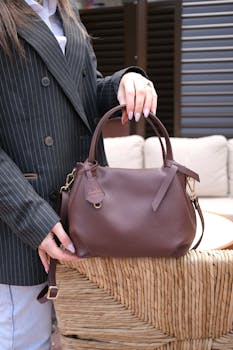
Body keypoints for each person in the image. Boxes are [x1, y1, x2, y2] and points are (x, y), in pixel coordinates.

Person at [0, 0, 157, 349]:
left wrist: (125, 81)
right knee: (23, 339)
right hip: (22, 219)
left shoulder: (66, 14)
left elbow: (82, 95)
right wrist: (33, 219)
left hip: (83, 209)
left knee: (86, 334)